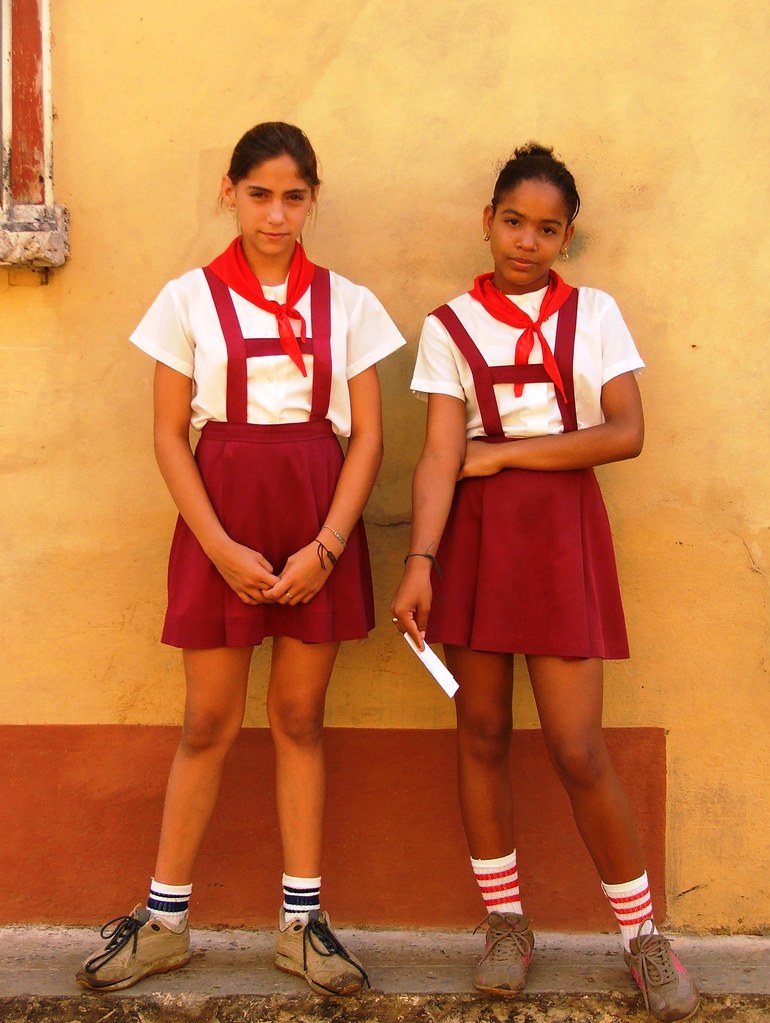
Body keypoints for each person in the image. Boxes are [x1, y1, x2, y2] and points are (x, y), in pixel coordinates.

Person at [77, 121, 405, 997]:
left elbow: (368, 438)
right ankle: (164, 921)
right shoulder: (185, 300)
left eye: (294, 196)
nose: (277, 213)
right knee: (207, 722)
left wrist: (329, 546)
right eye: (259, 193)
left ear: (313, 201)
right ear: (230, 191)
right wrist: (219, 546)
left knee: (299, 719)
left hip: (315, 528)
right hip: (219, 525)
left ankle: (302, 924)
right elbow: (167, 436)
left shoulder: (349, 303)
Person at [391, 143, 699, 1022]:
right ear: (487, 221)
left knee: (575, 746)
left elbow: (624, 430)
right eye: (514, 221)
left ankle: (643, 937)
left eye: (548, 228)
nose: (527, 240)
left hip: (563, 536)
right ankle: (505, 924)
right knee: (481, 734)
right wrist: (421, 560)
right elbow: (442, 455)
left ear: (568, 237)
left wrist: (505, 455)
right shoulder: (449, 326)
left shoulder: (595, 312)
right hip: (478, 542)